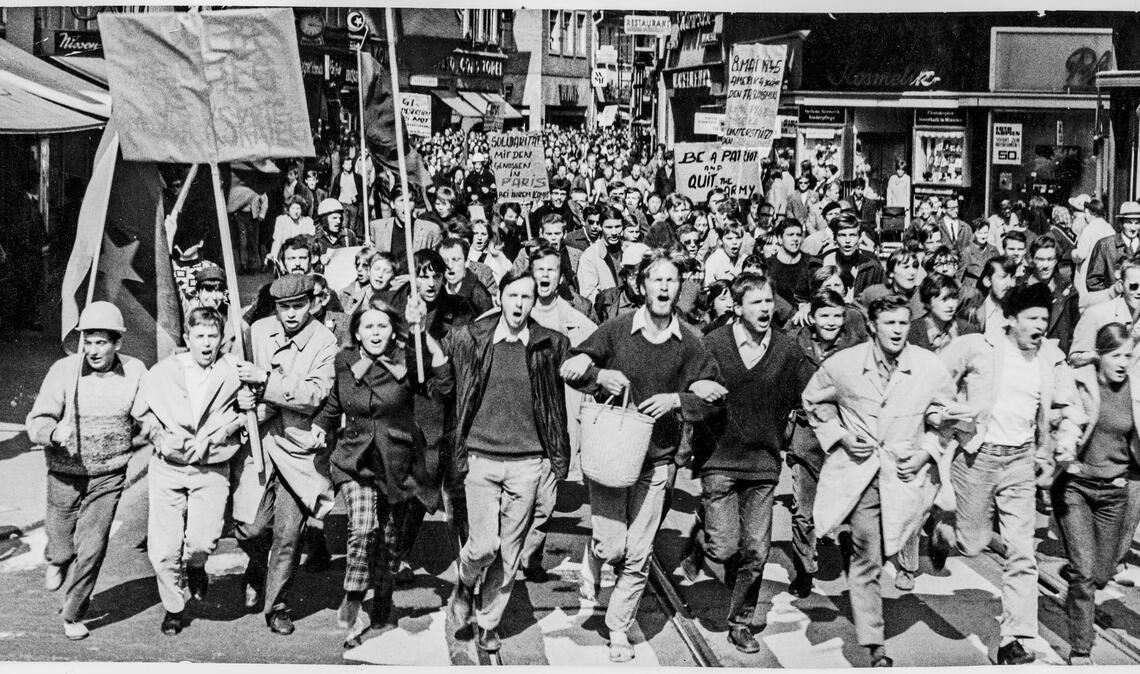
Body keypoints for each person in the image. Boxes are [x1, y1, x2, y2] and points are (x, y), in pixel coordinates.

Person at [560, 252, 721, 663]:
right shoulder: (615, 330)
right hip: (613, 458)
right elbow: (572, 366)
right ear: (641, 286)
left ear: (680, 287)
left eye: (672, 281)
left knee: (638, 553)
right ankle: (595, 556)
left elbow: (715, 396)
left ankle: (618, 628)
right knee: (613, 547)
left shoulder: (691, 342)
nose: (664, 288)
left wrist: (677, 400)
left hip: (657, 460)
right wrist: (598, 376)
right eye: (656, 280)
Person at [932, 283, 1086, 665]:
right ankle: (944, 531)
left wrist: (1065, 440)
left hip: (1019, 461)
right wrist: (942, 412)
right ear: (1012, 319)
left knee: (1021, 553)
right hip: (977, 457)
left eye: (1044, 320)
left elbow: (1072, 408)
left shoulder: (1051, 357)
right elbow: (934, 379)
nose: (1039, 326)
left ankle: (1012, 638)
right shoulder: (977, 347)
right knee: (972, 542)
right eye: (1032, 318)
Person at [801, 294, 958, 668]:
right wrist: (839, 434)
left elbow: (947, 417)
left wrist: (926, 451)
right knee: (867, 556)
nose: (898, 331)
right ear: (872, 326)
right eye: (889, 323)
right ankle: (875, 644)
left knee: (891, 544)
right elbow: (813, 400)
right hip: (861, 474)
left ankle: (932, 527)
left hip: (906, 475)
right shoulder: (845, 365)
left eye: (904, 323)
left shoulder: (928, 366)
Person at [436, 270, 572, 654]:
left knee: (510, 553)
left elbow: (583, 373)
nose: (519, 304)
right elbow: (442, 381)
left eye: (527, 298)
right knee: (482, 546)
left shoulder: (550, 344)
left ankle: (489, 622)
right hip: (480, 458)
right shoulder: (471, 338)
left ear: (534, 303)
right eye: (513, 296)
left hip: (528, 463)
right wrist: (421, 330)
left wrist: (599, 374)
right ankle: (464, 584)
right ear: (500, 297)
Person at [689, 274, 813, 653]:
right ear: (737, 307)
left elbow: (816, 389)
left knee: (756, 551)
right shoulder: (713, 344)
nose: (764, 309)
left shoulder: (788, 351)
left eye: (768, 301)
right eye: (755, 302)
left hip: (762, 462)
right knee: (724, 549)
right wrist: (695, 388)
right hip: (720, 460)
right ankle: (703, 532)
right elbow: (687, 382)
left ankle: (740, 622)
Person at [313, 296, 447, 645]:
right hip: (355, 459)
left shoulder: (407, 361)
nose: (375, 332)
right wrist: (321, 424)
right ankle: (354, 601)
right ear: (356, 332)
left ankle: (383, 605)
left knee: (388, 542)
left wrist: (419, 330)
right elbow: (334, 401)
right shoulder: (345, 361)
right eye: (368, 326)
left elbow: (438, 381)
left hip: (396, 460)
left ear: (392, 332)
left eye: (382, 325)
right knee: (362, 525)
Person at [25, 302, 147, 640]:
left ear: (117, 343)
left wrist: (155, 426)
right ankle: (57, 559)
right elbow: (37, 421)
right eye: (87, 341)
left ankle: (73, 613)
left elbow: (148, 413)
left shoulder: (136, 371)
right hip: (65, 470)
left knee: (93, 546)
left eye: (101, 342)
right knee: (62, 541)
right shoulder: (64, 371)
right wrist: (52, 432)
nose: (92, 350)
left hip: (109, 472)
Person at [231, 274, 339, 635]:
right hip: (259, 444)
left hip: (298, 450)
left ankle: (277, 604)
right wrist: (241, 399)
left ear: (312, 303)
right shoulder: (257, 331)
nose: (291, 314)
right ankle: (258, 568)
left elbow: (315, 395)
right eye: (283, 308)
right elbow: (233, 376)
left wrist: (265, 384)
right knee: (250, 528)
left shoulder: (325, 342)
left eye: (298, 306)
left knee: (289, 534)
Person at [132, 307, 245, 636]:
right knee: (163, 550)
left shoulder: (233, 371)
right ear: (187, 338)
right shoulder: (163, 372)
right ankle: (173, 608)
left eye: (213, 336)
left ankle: (196, 567)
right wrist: (161, 437)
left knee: (201, 541)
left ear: (222, 339)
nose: (207, 343)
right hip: (168, 469)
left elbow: (250, 411)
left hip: (211, 467)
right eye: (200, 336)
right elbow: (142, 412)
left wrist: (219, 433)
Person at [1057, 322, 1140, 665]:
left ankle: (1079, 585)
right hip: (1075, 485)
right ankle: (1080, 647)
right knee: (1085, 573)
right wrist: (1064, 449)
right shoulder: (1080, 381)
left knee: (1102, 574)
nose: (1123, 362)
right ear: (1100, 355)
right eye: (1116, 355)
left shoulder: (1135, 389)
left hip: (1114, 491)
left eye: (1129, 355)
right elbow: (1068, 420)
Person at [785, 289, 864, 598]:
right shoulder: (797, 344)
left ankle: (853, 560)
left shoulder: (855, 349)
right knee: (804, 510)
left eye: (836, 315)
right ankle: (804, 568)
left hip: (842, 436)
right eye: (823, 315)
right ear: (812, 317)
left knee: (847, 507)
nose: (830, 322)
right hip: (806, 434)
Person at [1070, 255, 1140, 367]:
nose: (1139, 292)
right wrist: (1103, 356)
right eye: (1134, 286)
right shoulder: (1096, 314)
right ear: (1121, 285)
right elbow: (1075, 360)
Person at [1025, 236, 1079, 354]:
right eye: (1040, 259)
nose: (1045, 265)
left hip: (1058, 356)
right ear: (1032, 259)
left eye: (1050, 259)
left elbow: (1075, 332)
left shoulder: (1068, 291)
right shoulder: (1021, 288)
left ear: (1056, 261)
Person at [907, 273, 979, 352]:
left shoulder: (968, 329)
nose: (951, 305)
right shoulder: (912, 332)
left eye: (954, 298)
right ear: (928, 302)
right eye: (944, 299)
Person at [818, 214, 884, 297]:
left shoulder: (872, 267)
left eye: (852, 235)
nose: (847, 241)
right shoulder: (822, 262)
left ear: (860, 238)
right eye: (842, 235)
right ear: (835, 238)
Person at [1085, 201, 1140, 299]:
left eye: (1137, 223)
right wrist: (1110, 299)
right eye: (1129, 222)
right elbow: (1093, 281)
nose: (1133, 228)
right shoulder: (1105, 245)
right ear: (1120, 224)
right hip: (1113, 307)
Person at [960, 256, 1019, 342]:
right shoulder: (974, 314)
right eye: (1003, 277)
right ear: (987, 281)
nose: (1010, 284)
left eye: (1012, 277)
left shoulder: (1017, 312)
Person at [577, 207, 625, 303]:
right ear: (600, 227)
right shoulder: (590, 256)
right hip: (606, 311)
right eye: (609, 228)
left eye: (618, 227)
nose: (614, 232)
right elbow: (588, 294)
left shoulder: (629, 250)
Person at [439, 236, 495, 315]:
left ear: (466, 262)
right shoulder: (437, 289)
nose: (450, 265)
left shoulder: (478, 293)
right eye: (445, 261)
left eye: (455, 260)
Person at [765, 219, 811, 312]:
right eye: (790, 235)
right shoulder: (768, 265)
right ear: (779, 238)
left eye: (798, 235)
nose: (795, 239)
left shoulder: (810, 263)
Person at [267, 197, 316, 267]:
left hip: (302, 255)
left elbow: (311, 241)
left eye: (298, 209)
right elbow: (277, 240)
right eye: (293, 208)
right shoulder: (282, 220)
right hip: (286, 255)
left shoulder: (308, 221)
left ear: (302, 209)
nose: (295, 212)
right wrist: (274, 256)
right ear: (288, 209)